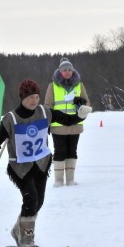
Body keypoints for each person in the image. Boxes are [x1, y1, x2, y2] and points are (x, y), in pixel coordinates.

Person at [0, 79, 90, 247]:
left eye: (36, 96)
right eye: (30, 97)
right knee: (31, 198)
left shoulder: (44, 111)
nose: (34, 101)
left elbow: (65, 120)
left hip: (41, 163)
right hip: (20, 166)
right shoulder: (11, 118)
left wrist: (80, 115)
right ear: (22, 98)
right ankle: (27, 241)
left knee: (38, 201)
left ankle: (17, 230)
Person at [44, 57, 90, 186]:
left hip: (75, 124)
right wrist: (47, 122)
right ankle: (58, 180)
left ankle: (70, 179)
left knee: (72, 151)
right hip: (58, 126)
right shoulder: (52, 86)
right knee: (60, 151)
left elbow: (87, 102)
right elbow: (48, 105)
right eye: (65, 70)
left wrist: (82, 105)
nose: (68, 72)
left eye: (70, 69)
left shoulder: (79, 85)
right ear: (60, 72)